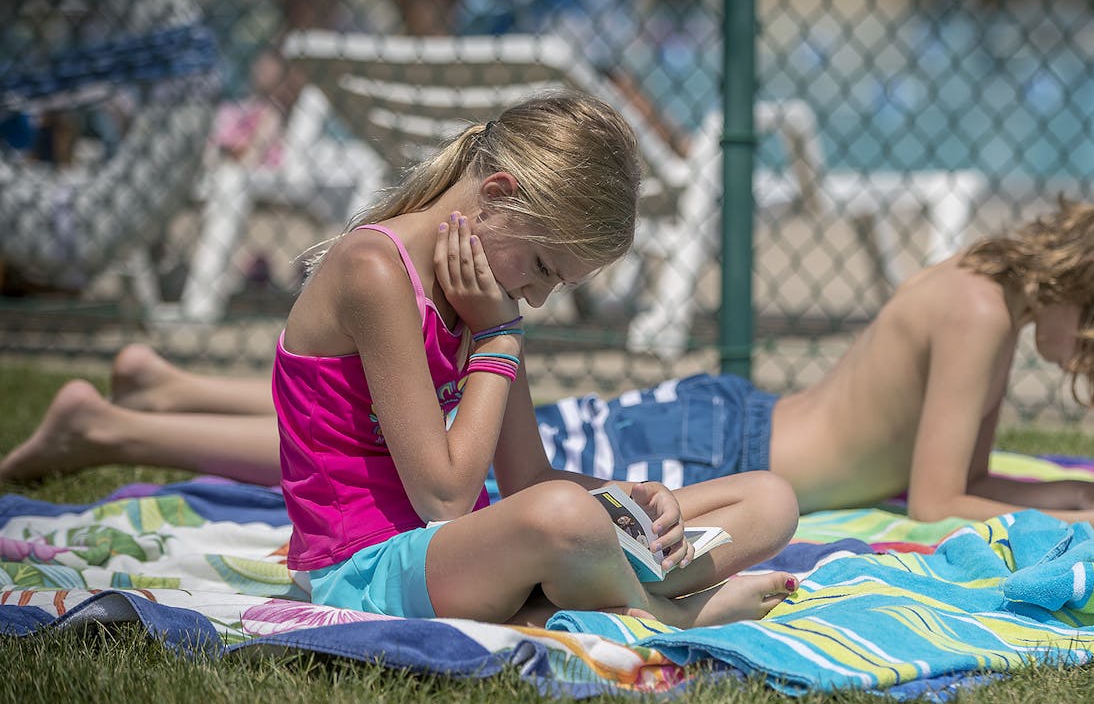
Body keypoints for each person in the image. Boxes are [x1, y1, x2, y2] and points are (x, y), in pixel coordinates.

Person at [7, 91, 801, 627]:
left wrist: (635, 498)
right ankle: (666, 614)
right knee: (561, 523)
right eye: (547, 270)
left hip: (467, 543)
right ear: (496, 194)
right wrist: (497, 343)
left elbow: (526, 478)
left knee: (769, 498)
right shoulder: (377, 273)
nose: (541, 299)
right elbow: (447, 501)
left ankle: (623, 575)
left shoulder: (484, 290)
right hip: (368, 572)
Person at [2, 191, 1094, 533]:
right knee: (416, 447)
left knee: (424, 415)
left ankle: (166, 387)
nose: (1084, 372)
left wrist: (1069, 492)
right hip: (706, 449)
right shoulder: (977, 314)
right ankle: (118, 429)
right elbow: (937, 504)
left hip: (714, 428)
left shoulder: (983, 295)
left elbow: (955, 481)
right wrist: (1088, 508)